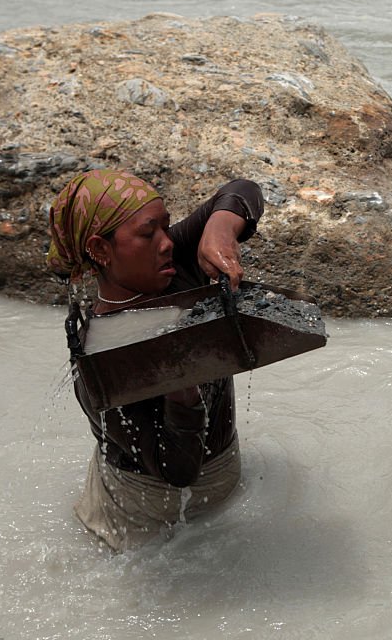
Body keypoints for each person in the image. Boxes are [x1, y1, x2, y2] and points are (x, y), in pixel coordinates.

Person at [46, 169, 264, 551]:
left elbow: (243, 191)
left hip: (223, 479)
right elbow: (177, 472)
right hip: (139, 517)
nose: (167, 243)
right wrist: (182, 392)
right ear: (100, 250)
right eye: (149, 234)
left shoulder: (172, 265)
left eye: (166, 227)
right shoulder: (103, 360)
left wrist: (220, 229)